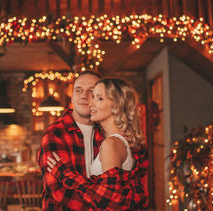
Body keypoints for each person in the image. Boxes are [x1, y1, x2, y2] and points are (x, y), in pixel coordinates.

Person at [38, 75, 148, 210]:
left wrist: (64, 173)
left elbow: (129, 189)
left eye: (93, 93)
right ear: (72, 97)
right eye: (78, 90)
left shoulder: (108, 138)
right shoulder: (56, 133)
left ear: (115, 104)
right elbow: (58, 192)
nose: (85, 97)